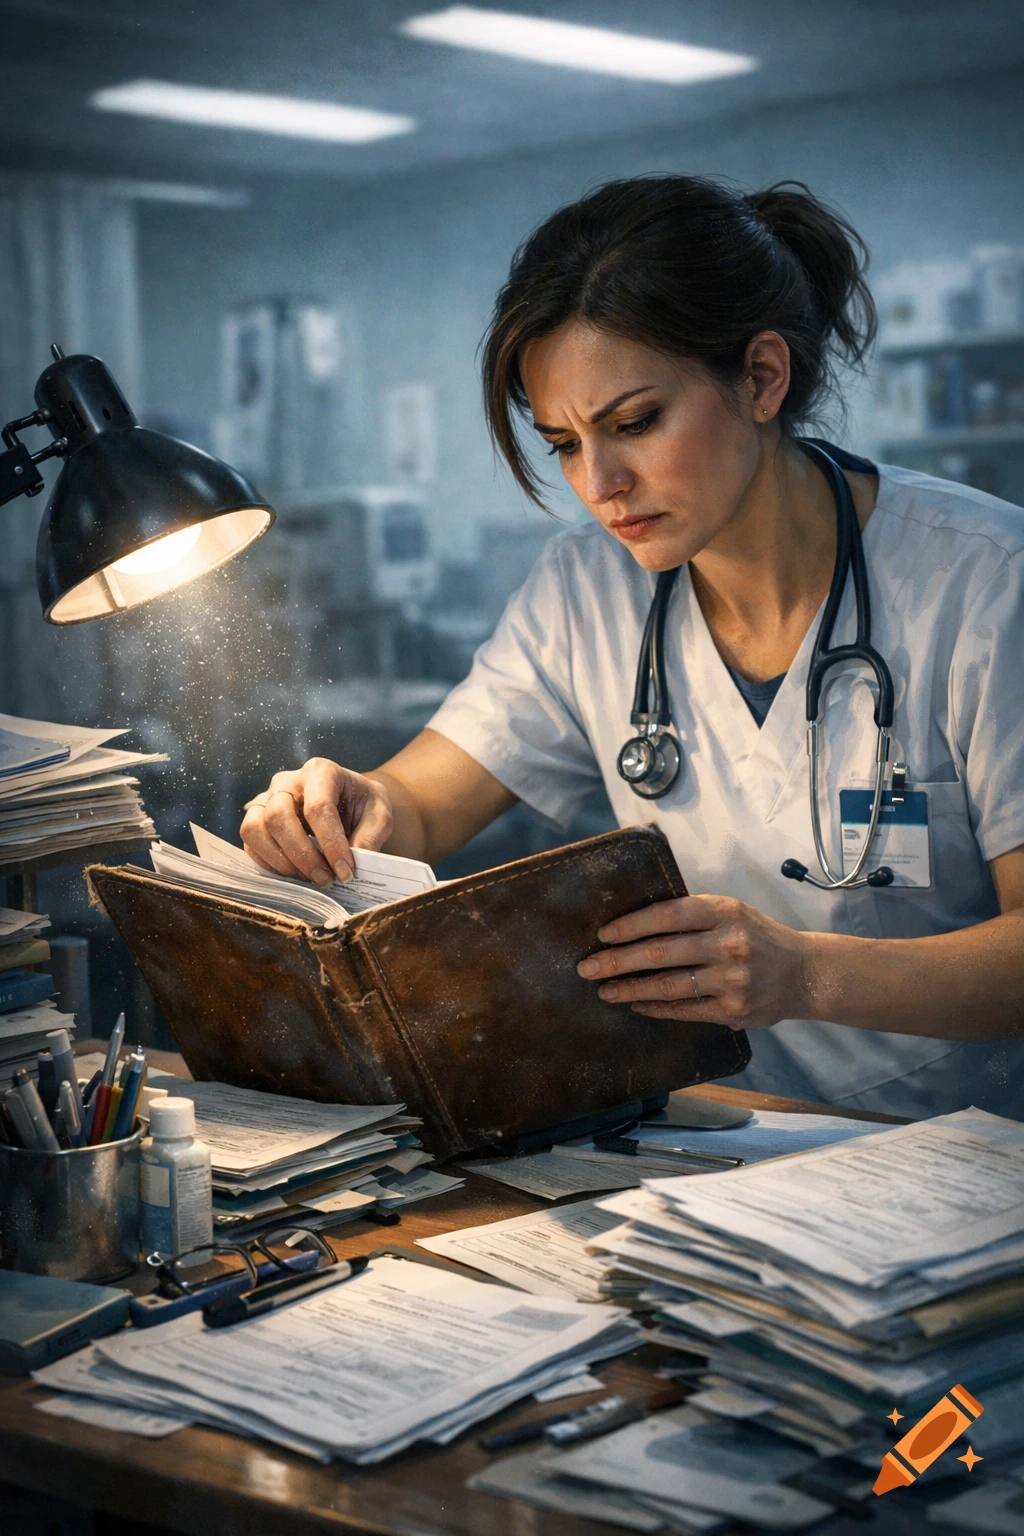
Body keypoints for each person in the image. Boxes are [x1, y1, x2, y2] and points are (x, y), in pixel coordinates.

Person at [241, 175, 1024, 1119]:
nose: (601, 484)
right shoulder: (588, 590)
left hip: (953, 1163)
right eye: (564, 443)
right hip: (710, 1138)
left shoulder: (986, 585)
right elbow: (414, 808)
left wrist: (805, 975)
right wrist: (345, 803)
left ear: (762, 378)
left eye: (635, 423)